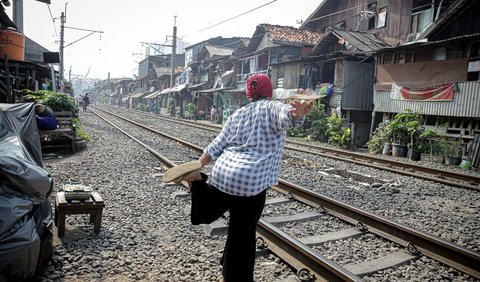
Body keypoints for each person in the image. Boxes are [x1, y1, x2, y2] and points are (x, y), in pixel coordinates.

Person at [180, 74, 314, 282]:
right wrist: (296, 114)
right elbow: (286, 115)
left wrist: (197, 165)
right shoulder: (272, 108)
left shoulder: (238, 114)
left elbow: (217, 144)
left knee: (207, 211)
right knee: (242, 236)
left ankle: (198, 182)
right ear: (269, 93)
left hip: (223, 174)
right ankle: (235, 278)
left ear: (249, 94)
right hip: (250, 185)